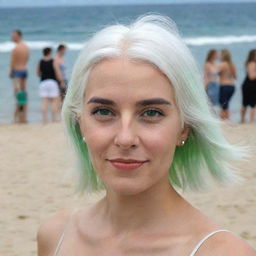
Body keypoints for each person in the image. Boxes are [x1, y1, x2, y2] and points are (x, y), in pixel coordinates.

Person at [37, 15, 256, 256]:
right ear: (79, 123)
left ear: (184, 126)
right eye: (103, 111)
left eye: (151, 112)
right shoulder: (55, 236)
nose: (125, 138)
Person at [37, 47, 61, 124]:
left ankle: (44, 120)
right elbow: (57, 72)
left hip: (43, 82)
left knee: (44, 101)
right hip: (52, 82)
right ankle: (54, 119)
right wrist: (61, 81)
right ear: (50, 52)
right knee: (54, 101)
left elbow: (37, 73)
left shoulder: (40, 61)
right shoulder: (53, 61)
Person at [9, 29, 29, 123]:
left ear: (19, 36)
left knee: (18, 95)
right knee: (23, 95)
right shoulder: (26, 47)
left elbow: (12, 62)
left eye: (14, 36)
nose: (12, 37)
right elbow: (27, 59)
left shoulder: (15, 48)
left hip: (17, 71)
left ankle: (16, 117)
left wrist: (11, 72)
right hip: (24, 71)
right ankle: (23, 116)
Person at [218, 49, 237, 120]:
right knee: (226, 103)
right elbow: (235, 76)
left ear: (223, 56)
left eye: (220, 55)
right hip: (232, 87)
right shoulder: (232, 65)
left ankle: (224, 119)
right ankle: (227, 118)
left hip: (224, 86)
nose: (219, 56)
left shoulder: (222, 64)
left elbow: (214, 73)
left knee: (223, 104)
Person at [240, 49, 256, 123]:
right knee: (250, 104)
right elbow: (251, 76)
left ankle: (243, 119)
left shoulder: (250, 63)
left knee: (245, 103)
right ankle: (250, 119)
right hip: (250, 86)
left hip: (249, 85)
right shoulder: (252, 63)